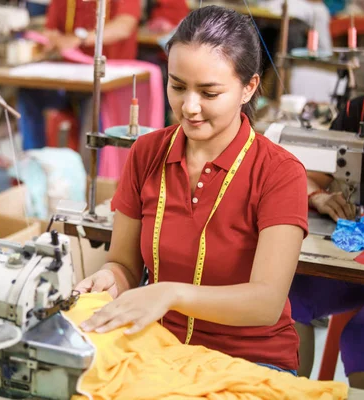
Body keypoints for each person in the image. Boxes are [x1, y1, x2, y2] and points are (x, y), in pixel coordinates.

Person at [75, 5, 308, 374]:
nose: (189, 107)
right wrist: (109, 280)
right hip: (158, 346)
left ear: (249, 88)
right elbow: (123, 265)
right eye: (178, 86)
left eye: (210, 93)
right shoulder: (147, 153)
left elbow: (266, 301)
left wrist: (171, 293)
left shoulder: (279, 173)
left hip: (249, 361)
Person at [289, 92, 364, 391]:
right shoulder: (363, 108)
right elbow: (306, 175)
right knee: (288, 297)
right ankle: (288, 394)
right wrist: (320, 196)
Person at [18, 0, 140, 150]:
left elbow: (124, 26)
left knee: (93, 102)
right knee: (30, 92)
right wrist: (54, 40)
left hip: (111, 80)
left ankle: (88, 169)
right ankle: (34, 160)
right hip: (72, 77)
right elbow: (51, 30)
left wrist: (80, 38)